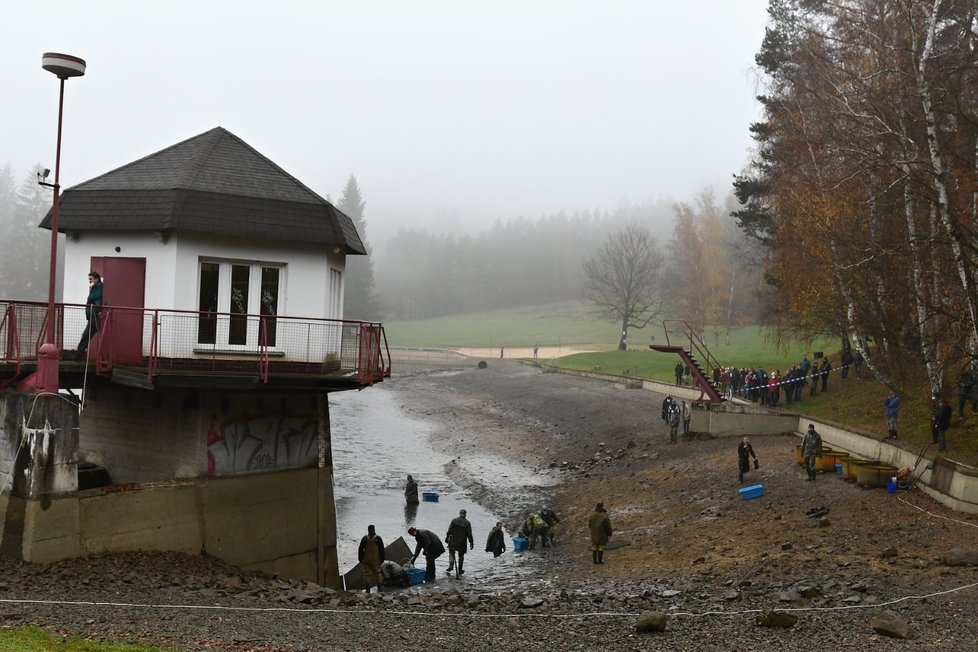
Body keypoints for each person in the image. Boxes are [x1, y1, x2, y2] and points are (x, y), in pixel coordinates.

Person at [75, 271, 104, 360]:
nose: (90, 281)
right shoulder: (96, 288)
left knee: (86, 336)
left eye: (91, 279)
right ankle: (78, 355)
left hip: (94, 315)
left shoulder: (98, 288)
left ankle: (78, 356)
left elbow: (98, 300)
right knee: (86, 335)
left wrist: (97, 310)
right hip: (92, 315)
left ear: (96, 279)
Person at [445, 509, 474, 577]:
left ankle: (451, 566)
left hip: (453, 540)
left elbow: (449, 531)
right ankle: (460, 569)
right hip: (462, 542)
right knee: (461, 556)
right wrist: (471, 542)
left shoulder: (454, 520)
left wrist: (446, 538)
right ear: (465, 514)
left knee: (451, 553)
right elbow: (469, 534)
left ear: (459, 513)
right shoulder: (467, 523)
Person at [357, 524, 385, 593]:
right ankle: (380, 590)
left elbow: (360, 549)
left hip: (366, 560)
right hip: (376, 560)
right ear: (374, 530)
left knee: (367, 574)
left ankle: (367, 590)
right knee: (378, 573)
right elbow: (382, 550)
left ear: (368, 530)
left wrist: (360, 558)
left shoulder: (365, 538)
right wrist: (382, 559)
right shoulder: (378, 538)